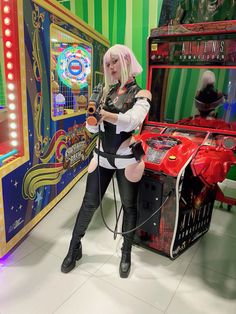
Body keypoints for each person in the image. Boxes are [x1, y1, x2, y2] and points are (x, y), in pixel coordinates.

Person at [61, 44, 151, 278]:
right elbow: (92, 131)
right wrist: (92, 120)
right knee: (89, 204)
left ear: (126, 61)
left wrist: (106, 115)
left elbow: (132, 120)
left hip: (125, 159)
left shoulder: (141, 94)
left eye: (115, 62)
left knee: (129, 206)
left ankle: (126, 252)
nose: (110, 67)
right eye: (108, 63)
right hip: (102, 156)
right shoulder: (105, 93)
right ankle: (74, 248)